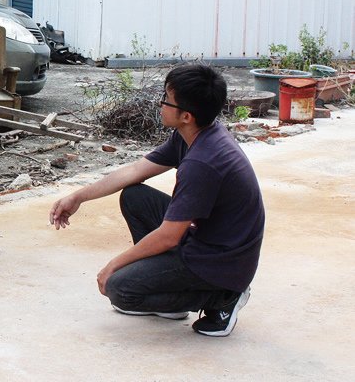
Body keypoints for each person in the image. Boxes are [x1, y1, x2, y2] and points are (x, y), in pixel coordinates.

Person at [49, 63, 265, 336]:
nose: (160, 104)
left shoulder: (202, 163)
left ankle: (222, 299)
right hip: (210, 240)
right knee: (135, 196)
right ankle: (170, 295)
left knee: (120, 288)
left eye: (166, 100)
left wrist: (114, 265)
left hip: (221, 261)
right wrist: (78, 197)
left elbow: (168, 237)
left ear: (186, 115)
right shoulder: (194, 134)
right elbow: (134, 171)